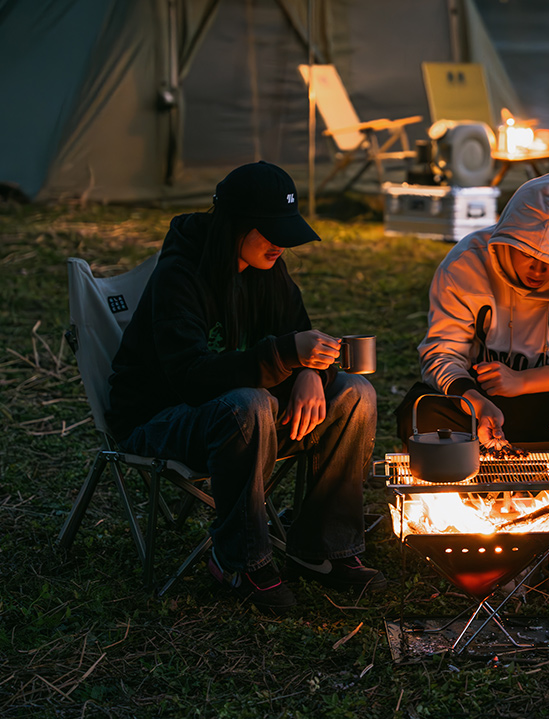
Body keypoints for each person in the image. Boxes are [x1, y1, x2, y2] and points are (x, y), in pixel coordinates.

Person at [106, 161, 386, 614]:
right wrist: (286, 356)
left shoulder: (269, 272)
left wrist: (311, 373)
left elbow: (298, 339)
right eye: (270, 231)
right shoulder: (181, 276)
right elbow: (191, 380)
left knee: (355, 394)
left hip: (240, 414)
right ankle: (240, 561)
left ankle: (321, 549)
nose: (281, 243)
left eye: (286, 230)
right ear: (235, 224)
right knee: (249, 404)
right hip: (161, 417)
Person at [395, 171, 549, 594]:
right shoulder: (466, 264)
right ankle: (472, 528)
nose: (538, 269)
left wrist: (526, 381)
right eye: (528, 255)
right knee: (420, 410)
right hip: (485, 408)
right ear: (506, 241)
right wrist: (473, 398)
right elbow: (442, 353)